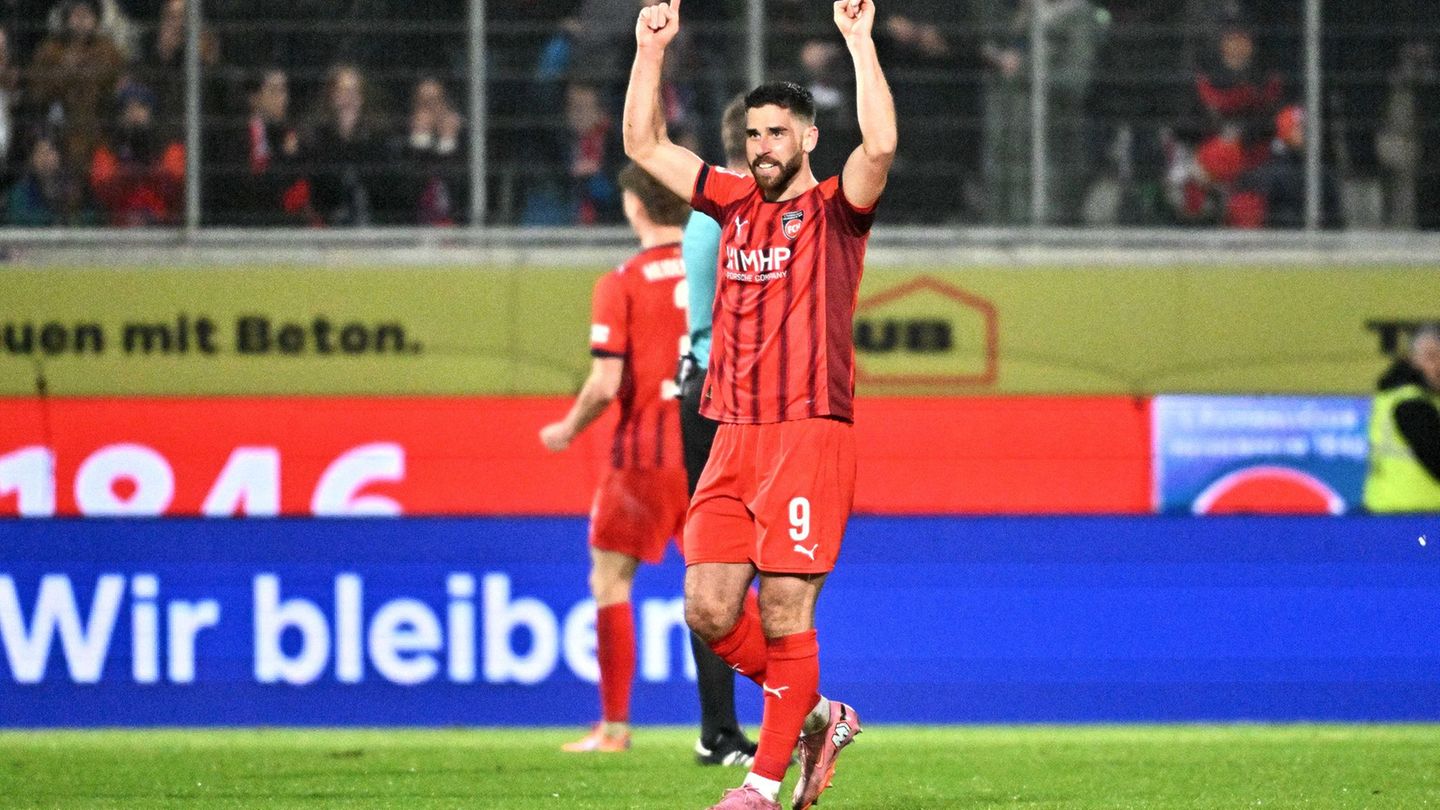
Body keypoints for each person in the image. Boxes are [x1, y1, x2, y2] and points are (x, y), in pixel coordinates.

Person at [622, 1, 896, 808]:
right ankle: (813, 713)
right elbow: (643, 144)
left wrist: (858, 41)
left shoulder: (837, 213)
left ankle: (761, 786)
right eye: (753, 134)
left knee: (784, 605)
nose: (762, 146)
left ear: (808, 138)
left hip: (810, 432)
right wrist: (650, 51)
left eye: (778, 133)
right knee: (707, 608)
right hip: (733, 435)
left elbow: (879, 143)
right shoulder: (728, 201)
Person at [539, 161, 692, 754]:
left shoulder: (622, 281)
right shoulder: (718, 274)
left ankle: (615, 729)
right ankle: (802, 707)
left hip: (644, 457)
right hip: (712, 452)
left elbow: (606, 384)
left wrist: (567, 429)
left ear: (633, 206)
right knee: (725, 595)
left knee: (610, 581)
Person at [677, 94, 758, 769]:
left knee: (727, 565)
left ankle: (721, 726)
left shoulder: (709, 213)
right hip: (726, 396)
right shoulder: (733, 212)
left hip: (705, 388)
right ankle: (725, 725)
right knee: (735, 567)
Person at [1364, 323, 1440, 513]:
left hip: (1391, 511)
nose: (1438, 365)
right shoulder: (1411, 404)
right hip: (1413, 516)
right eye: (1431, 357)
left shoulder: (1394, 395)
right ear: (1412, 360)